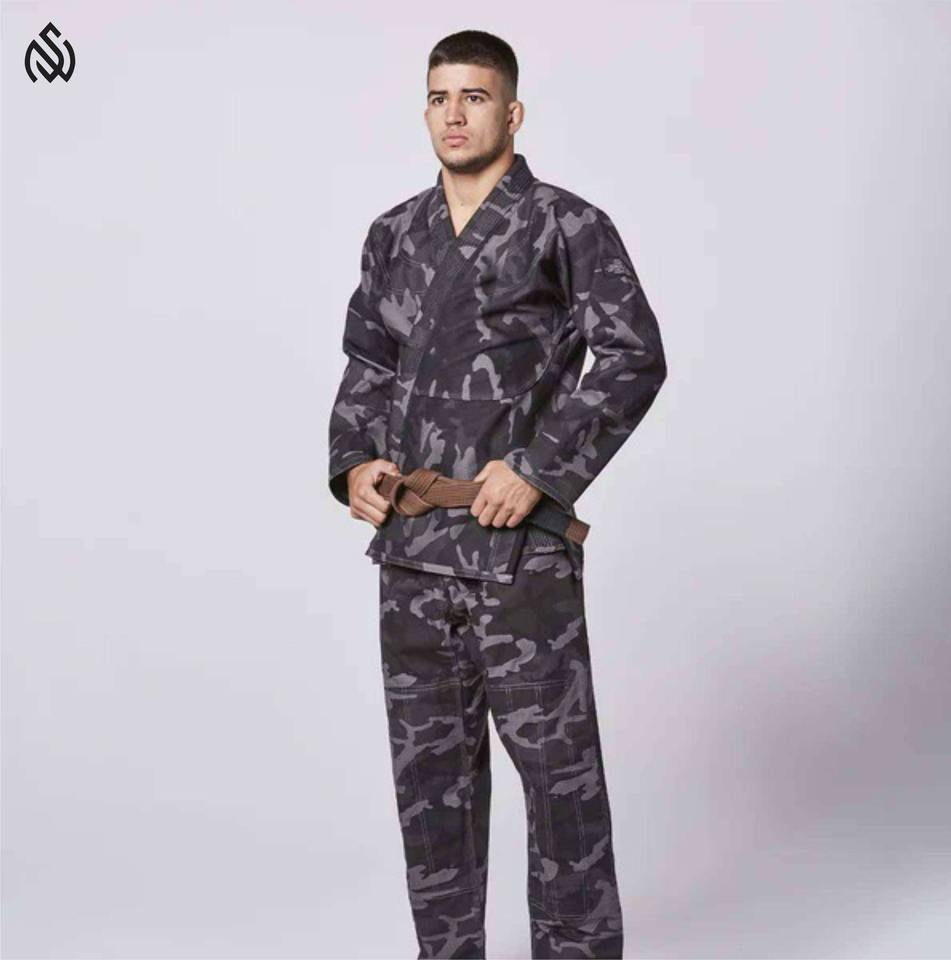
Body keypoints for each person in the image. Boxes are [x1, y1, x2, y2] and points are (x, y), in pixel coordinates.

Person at [328, 29, 667, 960]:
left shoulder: (566, 225)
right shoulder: (394, 234)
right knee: (430, 786)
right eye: (440, 97)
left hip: (517, 554)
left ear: (512, 113)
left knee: (561, 786)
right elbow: (367, 363)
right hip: (411, 552)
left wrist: (542, 468)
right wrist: (354, 462)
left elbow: (634, 355)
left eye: (474, 97)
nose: (454, 114)